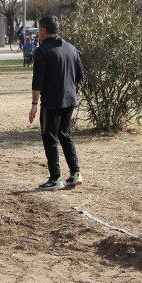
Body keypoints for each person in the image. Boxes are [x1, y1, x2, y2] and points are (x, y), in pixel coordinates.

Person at [28, 16, 84, 190]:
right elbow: (80, 75)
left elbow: (37, 80)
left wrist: (34, 104)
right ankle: (75, 174)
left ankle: (55, 179)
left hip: (51, 101)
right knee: (64, 134)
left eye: (39, 30)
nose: (38, 34)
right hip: (70, 99)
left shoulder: (42, 51)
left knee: (49, 137)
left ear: (44, 30)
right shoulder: (71, 48)